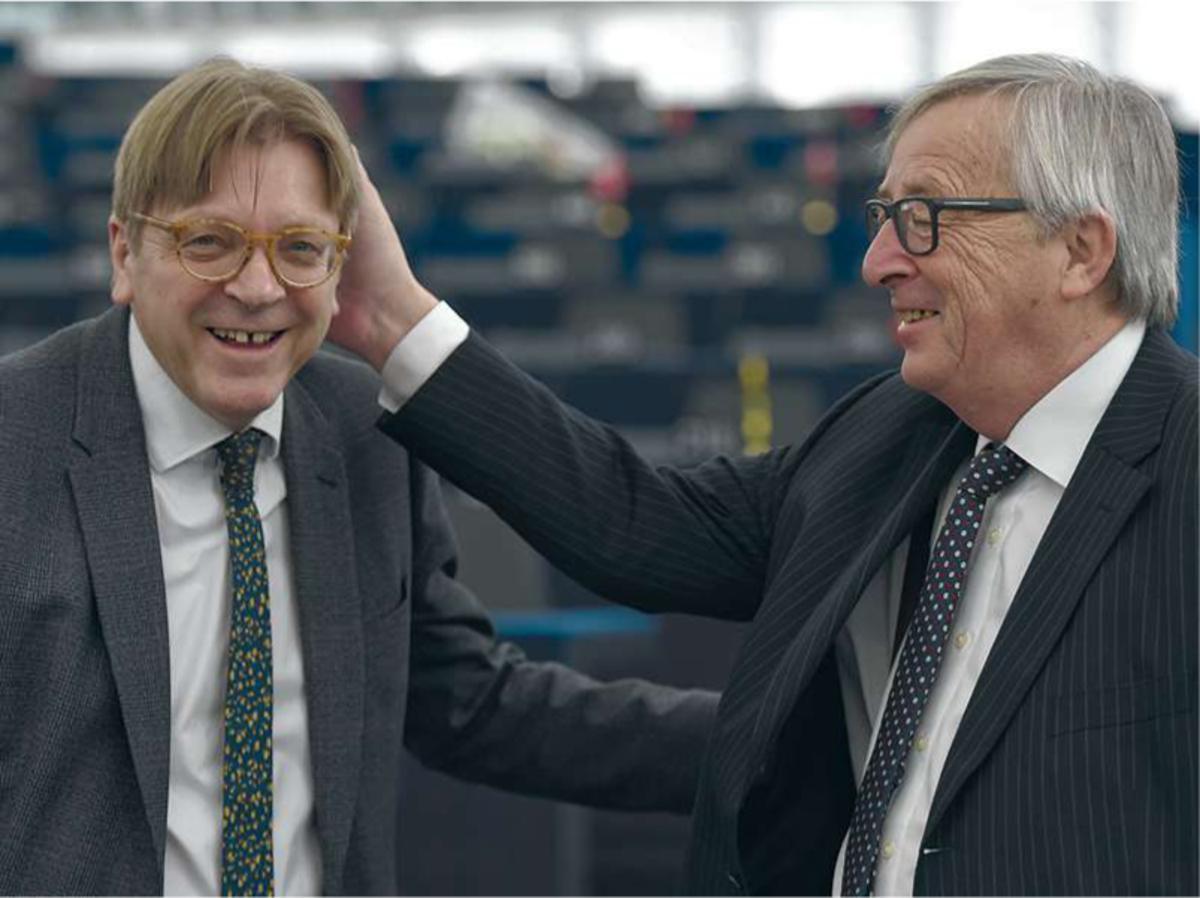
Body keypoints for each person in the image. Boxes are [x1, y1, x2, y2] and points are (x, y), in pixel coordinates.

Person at [333, 53, 1199, 895]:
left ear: (1082, 251)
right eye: (883, 216)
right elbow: (635, 525)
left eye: (925, 218)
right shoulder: (885, 438)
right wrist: (391, 318)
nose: (879, 263)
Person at [0, 59, 721, 896]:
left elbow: (475, 704)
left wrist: (775, 738)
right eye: (210, 242)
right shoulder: (18, 439)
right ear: (125, 252)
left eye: (300, 249)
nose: (258, 286)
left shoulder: (362, 427)